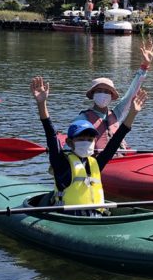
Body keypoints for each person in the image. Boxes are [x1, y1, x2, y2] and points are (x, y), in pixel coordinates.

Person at [32, 75, 147, 209]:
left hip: (96, 216)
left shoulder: (97, 164)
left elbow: (117, 139)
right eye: (81, 139)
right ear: (70, 142)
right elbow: (51, 135)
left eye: (90, 139)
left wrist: (133, 113)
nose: (86, 142)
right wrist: (41, 104)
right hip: (69, 218)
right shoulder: (61, 164)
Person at [73, 38, 153, 150]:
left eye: (107, 92)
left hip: (120, 158)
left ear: (112, 96)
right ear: (93, 95)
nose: (103, 94)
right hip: (98, 161)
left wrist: (144, 66)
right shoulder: (83, 118)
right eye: (99, 91)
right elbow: (73, 143)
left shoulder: (116, 114)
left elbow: (131, 92)